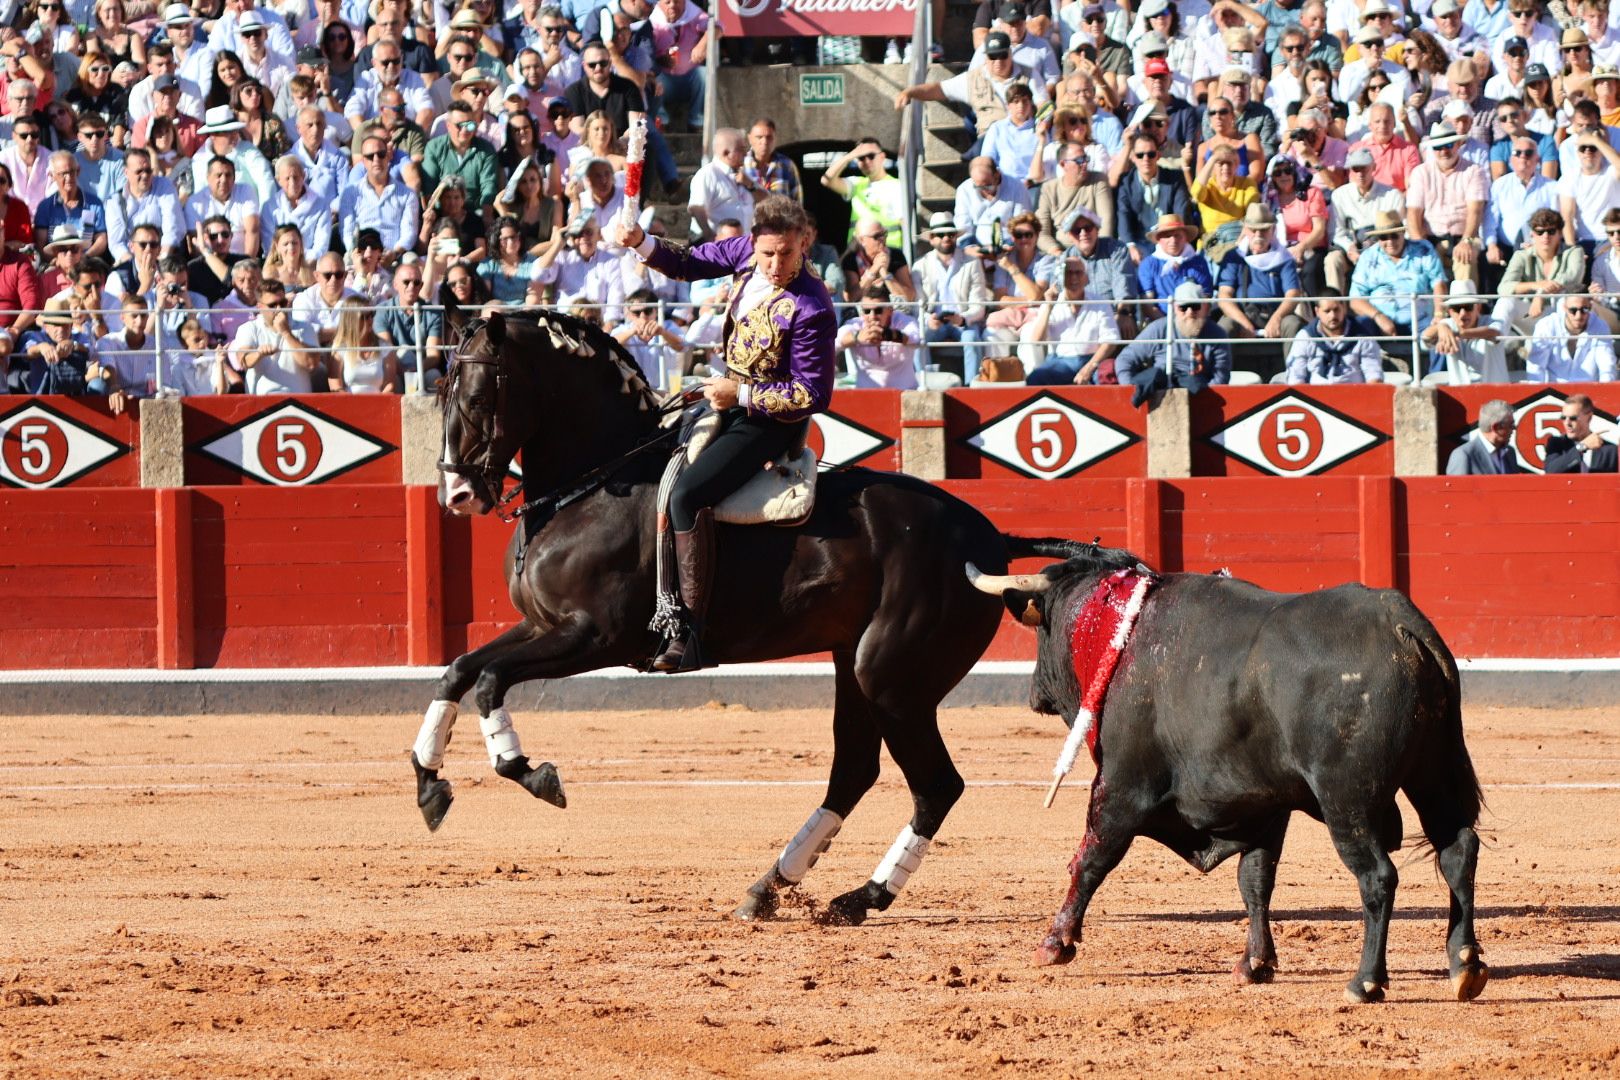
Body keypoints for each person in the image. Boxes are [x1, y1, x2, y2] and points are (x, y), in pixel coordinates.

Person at [612, 195, 836, 673]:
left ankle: (691, 633)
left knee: (689, 496)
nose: (776, 265)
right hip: (725, 397)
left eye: (788, 254)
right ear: (753, 244)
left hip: (769, 423)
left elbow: (813, 394)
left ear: (804, 243)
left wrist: (743, 394)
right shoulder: (743, 253)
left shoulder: (812, 306)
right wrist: (641, 242)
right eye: (768, 254)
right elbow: (690, 262)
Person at [1349, 209, 1448, 363]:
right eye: (1383, 237)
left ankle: (1437, 381)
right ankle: (1369, 378)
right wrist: (1379, 317)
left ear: (1403, 234)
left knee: (1442, 329)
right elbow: (1355, 299)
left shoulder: (1424, 249)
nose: (1390, 242)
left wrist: (1439, 315)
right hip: (1380, 324)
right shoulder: (1368, 257)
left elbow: (1438, 283)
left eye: (1394, 235)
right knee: (1360, 325)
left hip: (1422, 321)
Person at [1114, 280, 1232, 404]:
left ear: (1205, 307)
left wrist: (1203, 401)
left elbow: (1221, 376)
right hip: (1159, 394)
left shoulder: (1218, 334)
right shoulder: (1159, 328)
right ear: (1175, 308)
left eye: (1195, 306)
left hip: (1199, 395)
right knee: (1152, 376)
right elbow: (1125, 358)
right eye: (1183, 307)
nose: (1190, 312)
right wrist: (1128, 390)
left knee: (1195, 382)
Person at [1022, 256, 1120, 384]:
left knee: (1107, 377)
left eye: (1078, 273)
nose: (1073, 278)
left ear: (1086, 278)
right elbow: (1036, 340)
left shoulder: (1100, 302)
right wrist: (1049, 306)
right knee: (1036, 378)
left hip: (1092, 359)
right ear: (1061, 277)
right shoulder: (1051, 303)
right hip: (1060, 361)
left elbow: (1110, 341)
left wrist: (1089, 367)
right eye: (1068, 273)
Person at [914, 212, 989, 375]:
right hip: (935, 322)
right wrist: (928, 319)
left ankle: (972, 388)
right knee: (917, 340)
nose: (946, 238)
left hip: (963, 321)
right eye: (941, 235)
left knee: (972, 339)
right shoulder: (920, 266)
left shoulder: (972, 263)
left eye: (951, 234)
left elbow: (979, 304)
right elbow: (917, 306)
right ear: (932, 239)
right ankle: (925, 385)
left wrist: (962, 319)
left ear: (956, 236)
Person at [1493, 208, 1586, 339]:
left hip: (1563, 317)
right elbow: (1503, 288)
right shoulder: (1521, 255)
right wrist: (1537, 285)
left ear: (1560, 233)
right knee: (1505, 302)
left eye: (1551, 231)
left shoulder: (1574, 252)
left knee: (1563, 300)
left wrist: (1541, 295)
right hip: (1533, 314)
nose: (1545, 236)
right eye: (1540, 232)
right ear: (1532, 234)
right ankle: (1493, 338)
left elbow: (1572, 278)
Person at [820, 136, 905, 250]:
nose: (866, 161)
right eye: (861, 158)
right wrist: (850, 156)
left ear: (882, 157)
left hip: (889, 252)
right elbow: (827, 180)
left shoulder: (897, 185)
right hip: (858, 252)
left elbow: (904, 223)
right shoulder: (856, 184)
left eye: (871, 156)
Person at [836, 287, 923, 389]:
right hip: (867, 396)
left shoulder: (904, 320)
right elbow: (835, 342)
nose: (872, 316)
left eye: (878, 310)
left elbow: (916, 339)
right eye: (867, 311)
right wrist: (857, 337)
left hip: (904, 394)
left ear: (890, 310)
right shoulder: (855, 324)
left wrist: (889, 335)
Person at [1425, 281, 1511, 383]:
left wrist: (1457, 333)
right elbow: (1425, 336)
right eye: (1457, 308)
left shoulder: (1491, 321)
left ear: (1478, 308)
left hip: (1495, 394)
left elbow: (1494, 332)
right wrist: (1440, 326)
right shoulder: (1447, 325)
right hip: (1462, 394)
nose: (1463, 313)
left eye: (1468, 307)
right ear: (1450, 311)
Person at [1285, 296, 1385, 383]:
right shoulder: (1305, 337)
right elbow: (1296, 376)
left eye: (1336, 310)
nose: (1332, 316)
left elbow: (1374, 375)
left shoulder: (1362, 336)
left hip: (1354, 398)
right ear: (1317, 311)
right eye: (1327, 311)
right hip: (1315, 399)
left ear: (1344, 308)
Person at [1525, 295, 1617, 381]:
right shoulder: (1546, 325)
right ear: (1564, 308)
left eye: (1584, 309)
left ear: (1590, 307)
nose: (1578, 316)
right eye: (1573, 310)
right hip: (1555, 393)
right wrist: (1539, 395)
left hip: (1589, 393)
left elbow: (1607, 366)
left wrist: (1604, 394)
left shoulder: (1600, 326)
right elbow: (1536, 368)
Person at [688, 129, 755, 239]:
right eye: (741, 150)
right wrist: (709, 235)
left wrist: (751, 185)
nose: (746, 153)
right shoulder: (707, 174)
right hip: (718, 245)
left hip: (744, 243)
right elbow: (696, 208)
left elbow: (766, 199)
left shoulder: (744, 174)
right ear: (726, 153)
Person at [327, 296, 397, 393]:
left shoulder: (385, 347)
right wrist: (349, 402)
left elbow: (390, 384)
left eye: (372, 314)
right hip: (348, 403)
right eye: (366, 316)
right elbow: (335, 384)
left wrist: (378, 403)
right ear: (352, 319)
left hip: (378, 403)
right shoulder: (341, 347)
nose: (371, 320)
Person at [1543, 392, 1618, 471]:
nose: (1567, 423)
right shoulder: (1557, 444)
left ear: (1589, 417)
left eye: (1573, 418)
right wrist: (1582, 447)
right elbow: (1551, 471)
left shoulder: (1610, 451)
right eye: (1563, 418)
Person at [1446, 399, 1520, 474]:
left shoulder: (1510, 452)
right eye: (1511, 424)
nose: (1514, 428)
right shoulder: (1463, 455)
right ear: (1496, 427)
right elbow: (1458, 485)